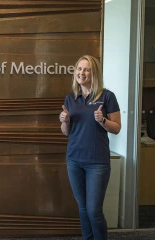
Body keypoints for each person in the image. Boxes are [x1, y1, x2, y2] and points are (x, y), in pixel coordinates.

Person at [59, 55, 121, 240]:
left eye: (86, 69)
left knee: (94, 210)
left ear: (94, 73)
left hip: (97, 162)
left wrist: (102, 120)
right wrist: (65, 121)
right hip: (74, 160)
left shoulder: (107, 96)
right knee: (83, 208)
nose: (81, 73)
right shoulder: (71, 98)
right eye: (79, 69)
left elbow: (116, 128)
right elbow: (66, 132)